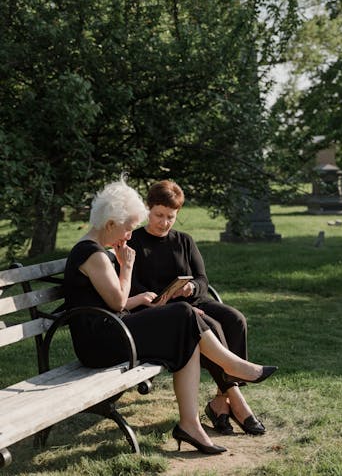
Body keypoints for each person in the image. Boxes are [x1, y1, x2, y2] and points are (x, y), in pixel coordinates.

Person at [63, 178, 277, 456]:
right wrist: (127, 266)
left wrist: (135, 289)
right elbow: (116, 303)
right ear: (111, 222)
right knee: (184, 314)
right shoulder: (92, 254)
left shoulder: (96, 251)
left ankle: (190, 425)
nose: (129, 234)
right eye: (127, 227)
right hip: (100, 343)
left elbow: (115, 302)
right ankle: (234, 368)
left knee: (186, 330)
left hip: (111, 330)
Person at [128, 179, 267, 437]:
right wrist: (178, 304)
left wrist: (192, 288)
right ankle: (236, 402)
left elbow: (203, 280)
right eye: (159, 215)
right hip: (162, 313)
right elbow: (134, 290)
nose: (164, 222)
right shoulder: (134, 243)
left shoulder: (184, 240)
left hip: (193, 302)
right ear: (148, 209)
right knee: (211, 326)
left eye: (171, 216)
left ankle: (219, 401)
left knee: (236, 319)